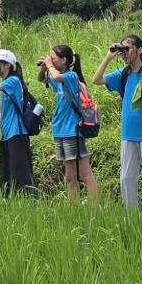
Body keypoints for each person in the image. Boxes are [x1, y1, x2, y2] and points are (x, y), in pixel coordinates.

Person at [91, 34, 142, 214]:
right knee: (126, 178)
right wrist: (109, 55)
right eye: (123, 49)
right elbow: (96, 79)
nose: (124, 53)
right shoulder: (123, 74)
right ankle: (132, 216)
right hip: (128, 133)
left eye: (127, 48)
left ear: (139, 50)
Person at [39, 44, 98, 202]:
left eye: (53, 58)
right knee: (70, 177)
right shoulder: (57, 77)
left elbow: (57, 77)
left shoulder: (71, 76)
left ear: (64, 60)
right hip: (60, 130)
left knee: (84, 174)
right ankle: (74, 209)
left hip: (73, 130)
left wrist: (49, 65)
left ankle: (95, 208)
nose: (50, 60)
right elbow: (41, 79)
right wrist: (44, 68)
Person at [0, 49, 36, 197]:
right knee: (5, 174)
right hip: (7, 134)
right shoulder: (7, 84)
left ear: (7, 65)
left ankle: (27, 201)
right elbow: (5, 114)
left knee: (20, 174)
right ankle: (10, 202)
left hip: (16, 133)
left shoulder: (13, 81)